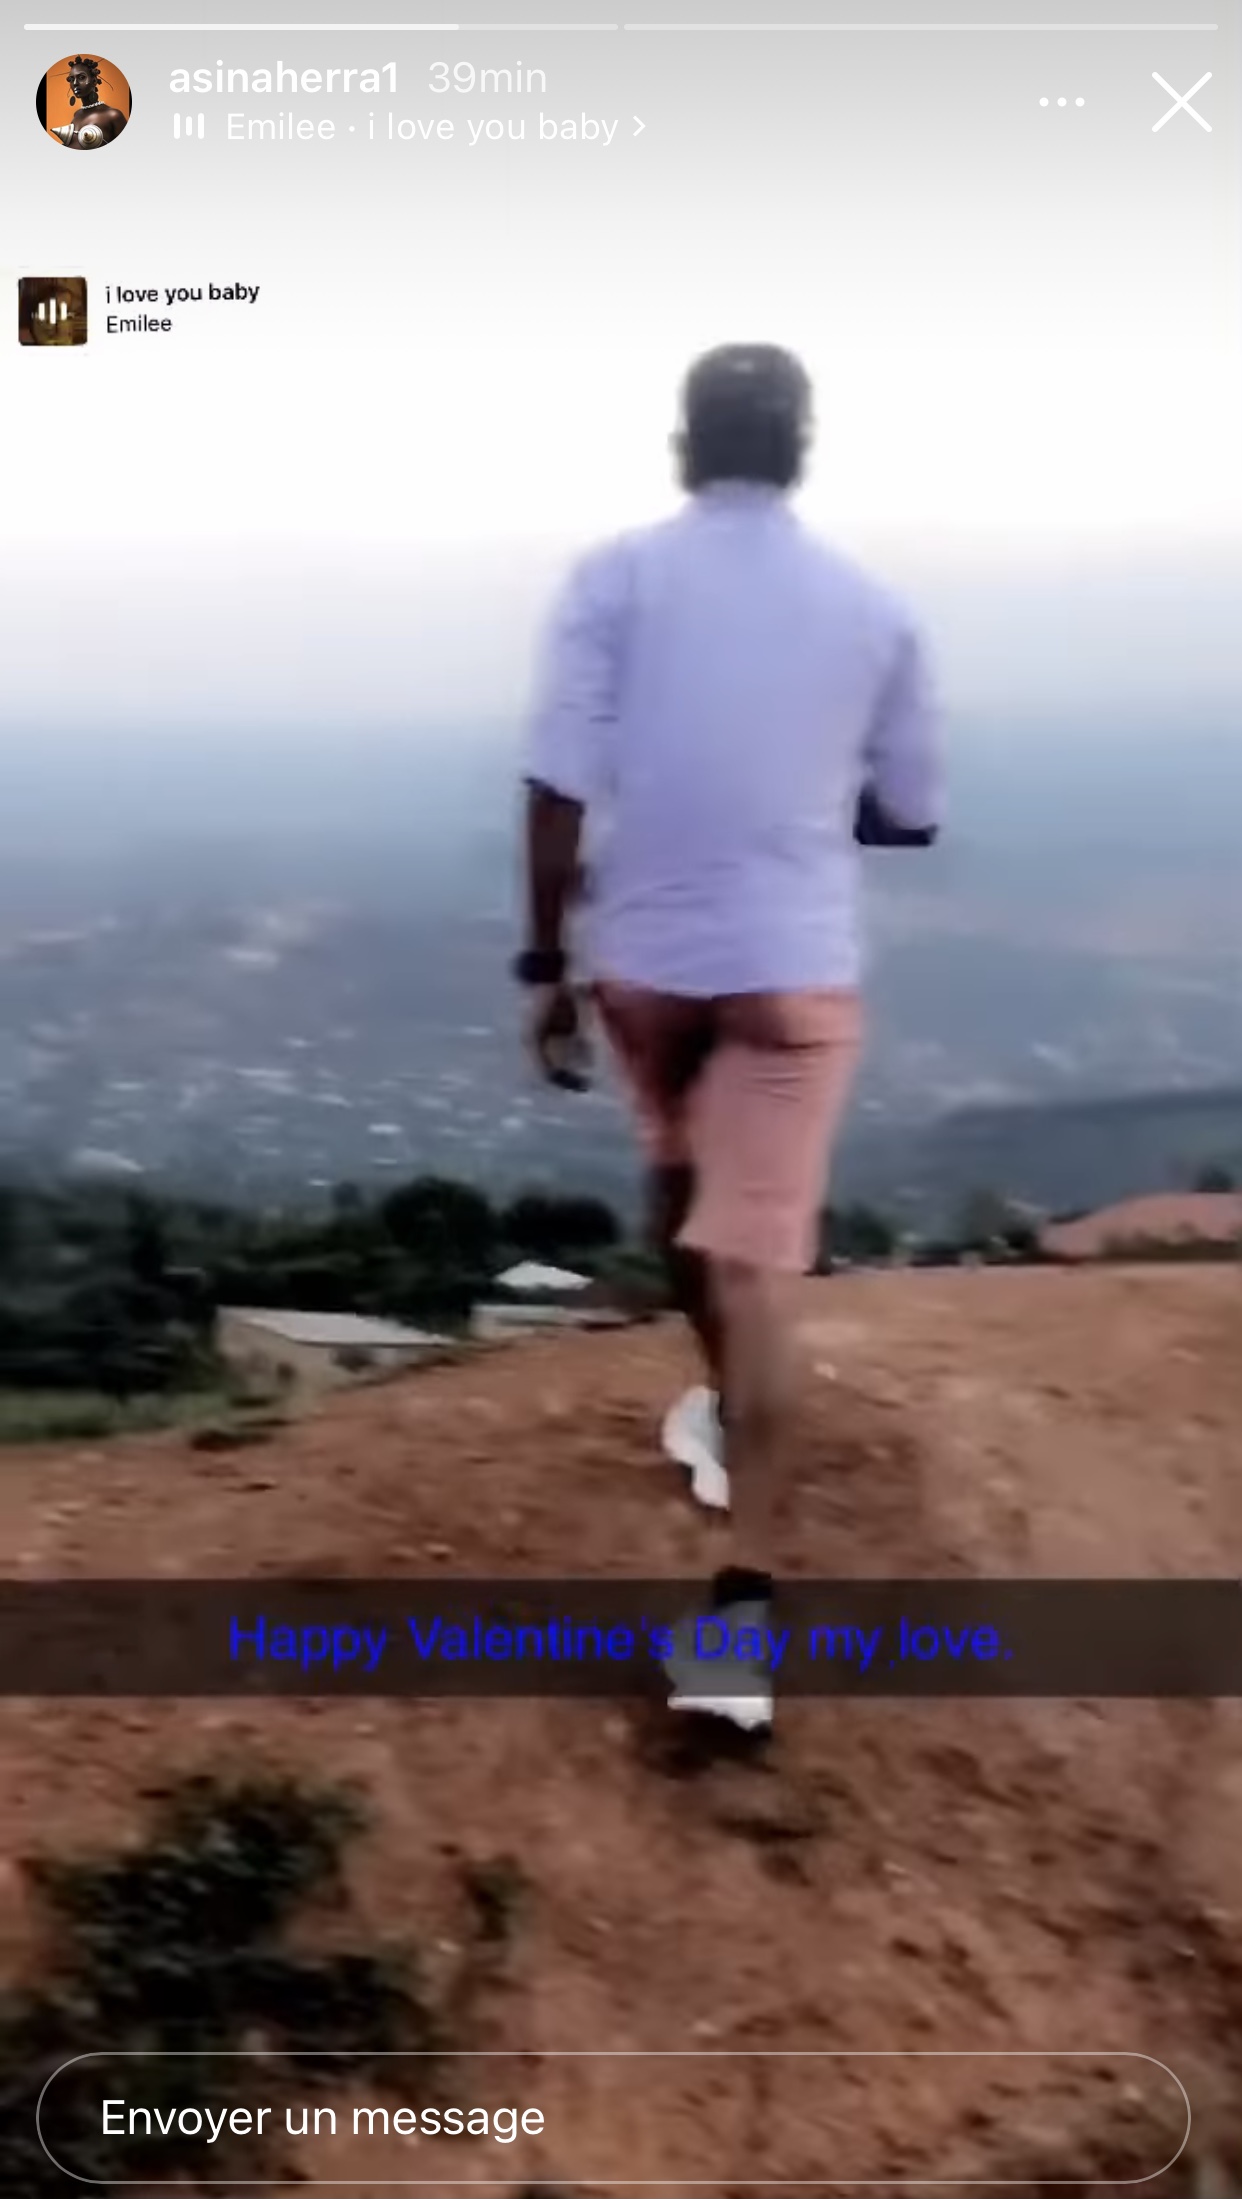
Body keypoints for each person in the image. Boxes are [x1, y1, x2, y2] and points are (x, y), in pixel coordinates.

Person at [516, 343, 943, 1733]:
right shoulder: (872, 609)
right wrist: (813, 800)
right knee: (742, 1259)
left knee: (685, 1204)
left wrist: (544, 962)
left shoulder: (614, 580)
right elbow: (908, 809)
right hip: (790, 973)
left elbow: (556, 786)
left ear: (684, 444)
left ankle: (726, 1453)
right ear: (800, 446)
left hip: (649, 964)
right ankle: (738, 1622)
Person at [47, 55, 128, 148]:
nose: (75, 83)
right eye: (71, 79)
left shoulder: (113, 115)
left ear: (94, 81)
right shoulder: (77, 115)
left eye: (81, 77)